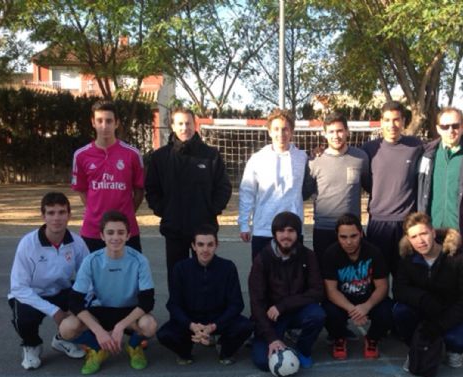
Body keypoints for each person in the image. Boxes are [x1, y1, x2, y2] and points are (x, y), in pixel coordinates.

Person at [60, 210, 158, 375]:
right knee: (66, 328)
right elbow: (75, 301)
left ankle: (134, 346)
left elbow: (147, 302)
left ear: (128, 235)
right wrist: (99, 331)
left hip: (129, 312)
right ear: (102, 236)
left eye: (121, 232)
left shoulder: (139, 261)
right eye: (110, 232)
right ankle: (97, 348)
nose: (115, 237)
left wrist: (120, 326)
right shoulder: (91, 260)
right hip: (100, 311)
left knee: (149, 325)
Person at [145, 107, 232, 287]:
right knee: (177, 275)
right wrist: (165, 210)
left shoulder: (211, 155)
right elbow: (152, 189)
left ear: (195, 125)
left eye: (188, 123)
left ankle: (208, 313)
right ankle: (178, 315)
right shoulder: (160, 157)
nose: (185, 128)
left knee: (206, 276)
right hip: (174, 227)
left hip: (204, 228)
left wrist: (210, 210)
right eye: (180, 124)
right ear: (173, 126)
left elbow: (223, 187)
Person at [8, 192, 89, 370]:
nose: (56, 218)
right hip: (31, 293)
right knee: (24, 320)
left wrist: (81, 305)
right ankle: (32, 345)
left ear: (69, 215)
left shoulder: (77, 242)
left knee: (89, 307)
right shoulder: (28, 244)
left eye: (61, 212)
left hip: (60, 291)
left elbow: (87, 277)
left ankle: (62, 339)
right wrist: (55, 312)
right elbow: (18, 287)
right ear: (43, 216)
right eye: (51, 213)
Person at [393, 212, 463, 370]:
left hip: (453, 311)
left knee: (459, 339)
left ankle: (454, 349)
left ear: (433, 232)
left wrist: (440, 325)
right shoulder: (408, 257)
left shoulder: (460, 257)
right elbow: (399, 289)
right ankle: (417, 345)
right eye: (413, 237)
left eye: (424, 233)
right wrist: (423, 299)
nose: (420, 240)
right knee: (399, 311)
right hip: (425, 309)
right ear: (408, 239)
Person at [156, 224, 253, 365]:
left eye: (210, 245)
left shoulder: (228, 267)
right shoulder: (181, 268)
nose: (205, 249)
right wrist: (191, 326)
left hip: (218, 320)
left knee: (246, 326)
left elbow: (236, 304)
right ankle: (186, 350)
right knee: (164, 334)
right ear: (193, 246)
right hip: (192, 321)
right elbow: (174, 304)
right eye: (200, 245)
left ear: (216, 245)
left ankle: (224, 348)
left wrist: (214, 326)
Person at [248, 212, 326, 371]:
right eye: (281, 231)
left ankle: (303, 349)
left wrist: (283, 305)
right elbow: (257, 302)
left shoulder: (308, 256)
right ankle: (272, 339)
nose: (286, 236)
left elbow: (317, 291)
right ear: (274, 234)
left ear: (298, 233)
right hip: (271, 316)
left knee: (317, 314)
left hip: (296, 310)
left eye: (291, 231)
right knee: (264, 362)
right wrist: (271, 338)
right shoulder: (262, 259)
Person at [71, 100, 145, 252]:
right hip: (93, 230)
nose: (104, 126)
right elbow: (82, 190)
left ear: (116, 123)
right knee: (92, 275)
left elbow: (139, 190)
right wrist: (95, 210)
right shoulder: (81, 155)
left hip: (125, 230)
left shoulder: (132, 154)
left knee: (130, 274)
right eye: (99, 121)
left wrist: (127, 213)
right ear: (93, 122)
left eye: (109, 121)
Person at [238, 108, 312, 259]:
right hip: (264, 229)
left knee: (294, 278)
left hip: (293, 230)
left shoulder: (302, 157)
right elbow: (247, 192)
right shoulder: (257, 158)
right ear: (269, 131)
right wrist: (244, 224)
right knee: (262, 278)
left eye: (285, 129)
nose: (281, 134)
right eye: (276, 129)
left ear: (292, 131)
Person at [361, 101, 423, 273]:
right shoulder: (369, 148)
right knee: (378, 275)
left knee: (405, 275)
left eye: (396, 120)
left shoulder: (416, 146)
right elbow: (366, 181)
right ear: (381, 122)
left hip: (407, 223)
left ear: (403, 121)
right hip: (379, 221)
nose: (392, 125)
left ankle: (401, 301)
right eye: (387, 120)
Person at [321, 214, 393, 360]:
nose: (349, 242)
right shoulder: (331, 253)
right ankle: (339, 338)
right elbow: (331, 290)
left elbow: (383, 286)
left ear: (361, 233)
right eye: (343, 237)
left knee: (388, 309)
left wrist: (366, 306)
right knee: (326, 310)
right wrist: (352, 309)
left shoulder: (374, 252)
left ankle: (372, 338)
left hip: (367, 299)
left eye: (353, 236)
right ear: (337, 236)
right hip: (343, 301)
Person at [417, 106, 463, 254]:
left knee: (462, 277)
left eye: (455, 125)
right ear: (438, 129)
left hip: (462, 235)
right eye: (445, 126)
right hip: (432, 235)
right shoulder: (427, 156)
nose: (451, 130)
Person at [308, 112, 369, 260]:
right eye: (331, 132)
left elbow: (370, 186)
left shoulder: (360, 158)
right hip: (324, 229)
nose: (336, 135)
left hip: (352, 230)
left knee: (354, 278)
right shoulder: (315, 160)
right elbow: (304, 192)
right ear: (324, 134)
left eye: (340, 130)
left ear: (347, 131)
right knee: (325, 277)